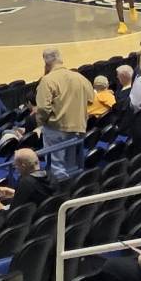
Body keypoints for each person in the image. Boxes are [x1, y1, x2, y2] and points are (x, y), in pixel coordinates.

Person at [34, 49, 94, 182]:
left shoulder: (47, 80)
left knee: (57, 167)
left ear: (46, 62)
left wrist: (42, 122)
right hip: (78, 127)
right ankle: (74, 189)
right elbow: (91, 99)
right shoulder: (80, 77)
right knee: (72, 166)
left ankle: (61, 192)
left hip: (56, 128)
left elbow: (43, 108)